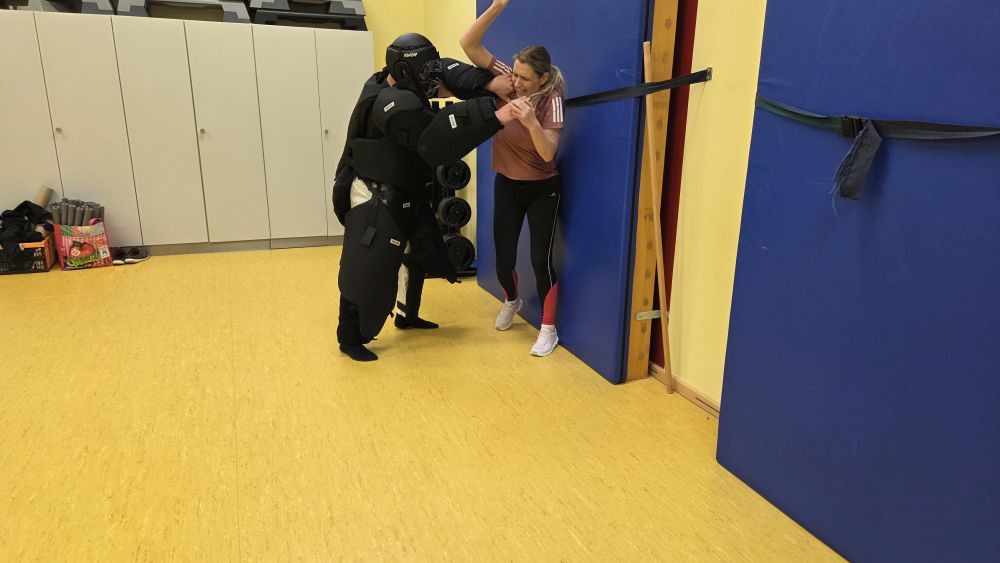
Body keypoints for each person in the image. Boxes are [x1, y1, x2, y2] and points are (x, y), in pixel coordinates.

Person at [332, 32, 516, 362]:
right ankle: (349, 337)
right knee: (367, 266)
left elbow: (448, 72)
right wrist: (495, 113)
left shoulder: (396, 82)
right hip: (375, 195)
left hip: (405, 189)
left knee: (418, 256)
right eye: (426, 72)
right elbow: (437, 138)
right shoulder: (391, 104)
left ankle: (407, 315)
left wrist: (490, 84)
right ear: (405, 70)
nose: (435, 78)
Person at [460, 0, 567, 357]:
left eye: (524, 78)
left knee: (540, 261)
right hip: (507, 183)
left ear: (542, 77)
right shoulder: (509, 79)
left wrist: (530, 122)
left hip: (542, 190)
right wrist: (497, 6)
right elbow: (468, 44)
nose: (515, 83)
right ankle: (512, 300)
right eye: (515, 74)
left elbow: (548, 154)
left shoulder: (551, 98)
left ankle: (548, 330)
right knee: (503, 261)